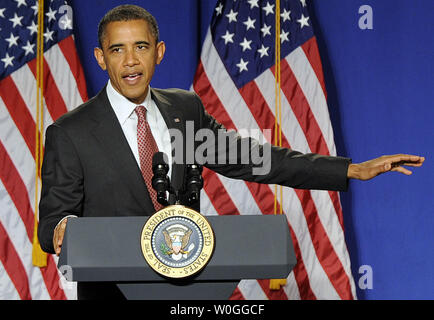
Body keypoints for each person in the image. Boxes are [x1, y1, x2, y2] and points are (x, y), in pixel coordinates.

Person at [37, 5, 424, 300]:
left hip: (186, 293)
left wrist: (348, 171)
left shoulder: (183, 111)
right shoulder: (71, 133)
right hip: (113, 295)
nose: (131, 60)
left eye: (141, 47)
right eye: (117, 50)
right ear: (101, 58)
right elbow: (52, 220)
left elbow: (253, 159)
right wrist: (63, 229)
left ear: (159, 52)